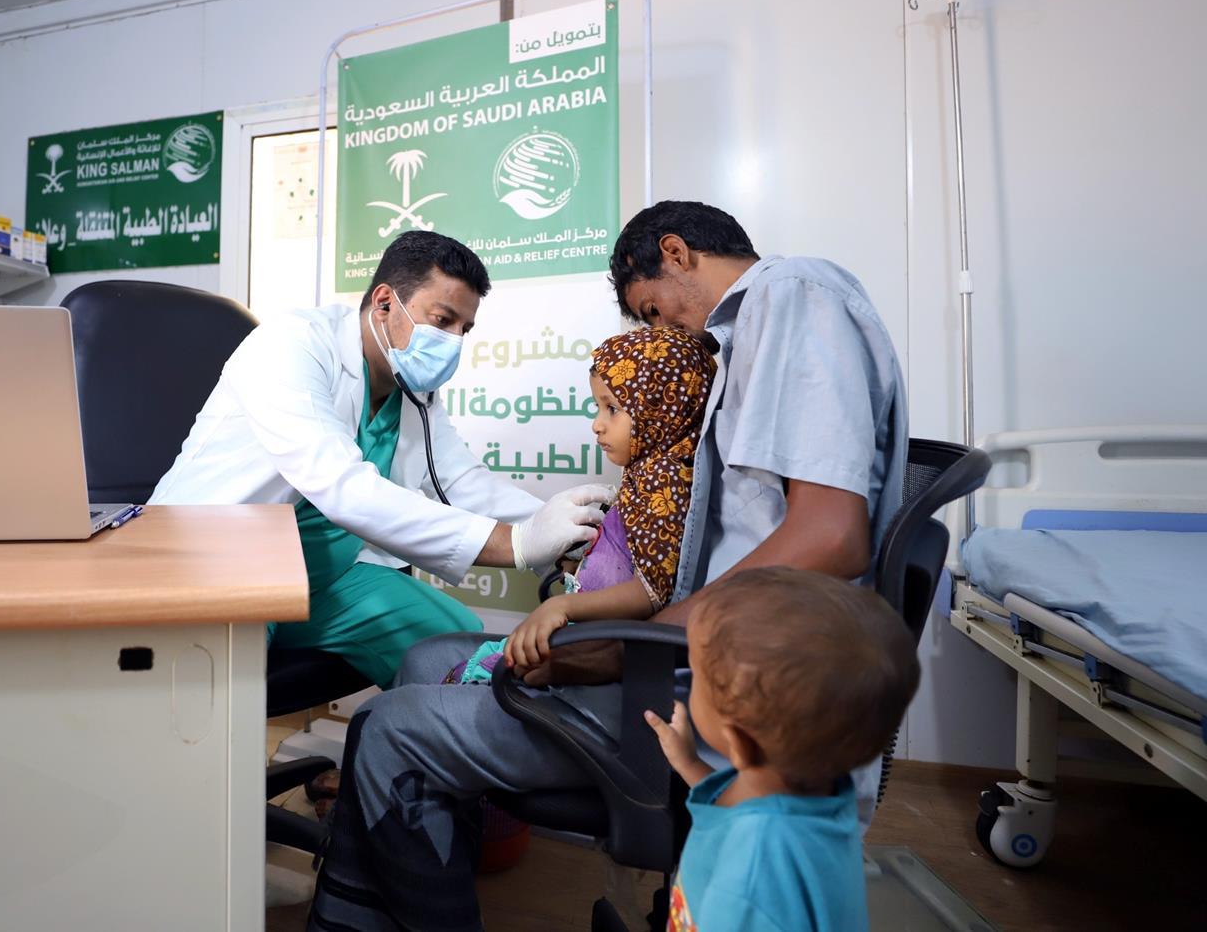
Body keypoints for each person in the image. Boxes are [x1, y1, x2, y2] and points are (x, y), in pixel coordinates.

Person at [308, 202, 908, 932]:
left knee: (387, 726)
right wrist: (567, 556)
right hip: (688, 651)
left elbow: (832, 536)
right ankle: (384, 906)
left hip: (719, 681)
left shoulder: (792, 295)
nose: (667, 335)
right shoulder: (740, 346)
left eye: (653, 309)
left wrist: (625, 645)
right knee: (426, 658)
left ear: (676, 253)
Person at [150, 230, 613, 687]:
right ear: (385, 302)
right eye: (443, 319)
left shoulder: (411, 387)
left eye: (464, 329)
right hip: (221, 567)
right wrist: (517, 544)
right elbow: (341, 486)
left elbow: (461, 481)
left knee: (462, 649)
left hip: (324, 580)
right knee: (220, 707)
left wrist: (570, 533)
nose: (454, 341)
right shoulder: (291, 344)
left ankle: (435, 735)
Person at [646, 567, 920, 932]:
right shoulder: (823, 795)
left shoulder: (747, 882)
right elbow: (748, 808)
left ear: (739, 743)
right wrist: (689, 763)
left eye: (696, 676)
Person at [452, 326, 715, 684]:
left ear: (659, 407)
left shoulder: (665, 482)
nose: (597, 425)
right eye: (598, 408)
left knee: (483, 674)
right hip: (590, 631)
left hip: (596, 643)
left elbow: (650, 592)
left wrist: (562, 606)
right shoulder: (647, 472)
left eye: (613, 409)